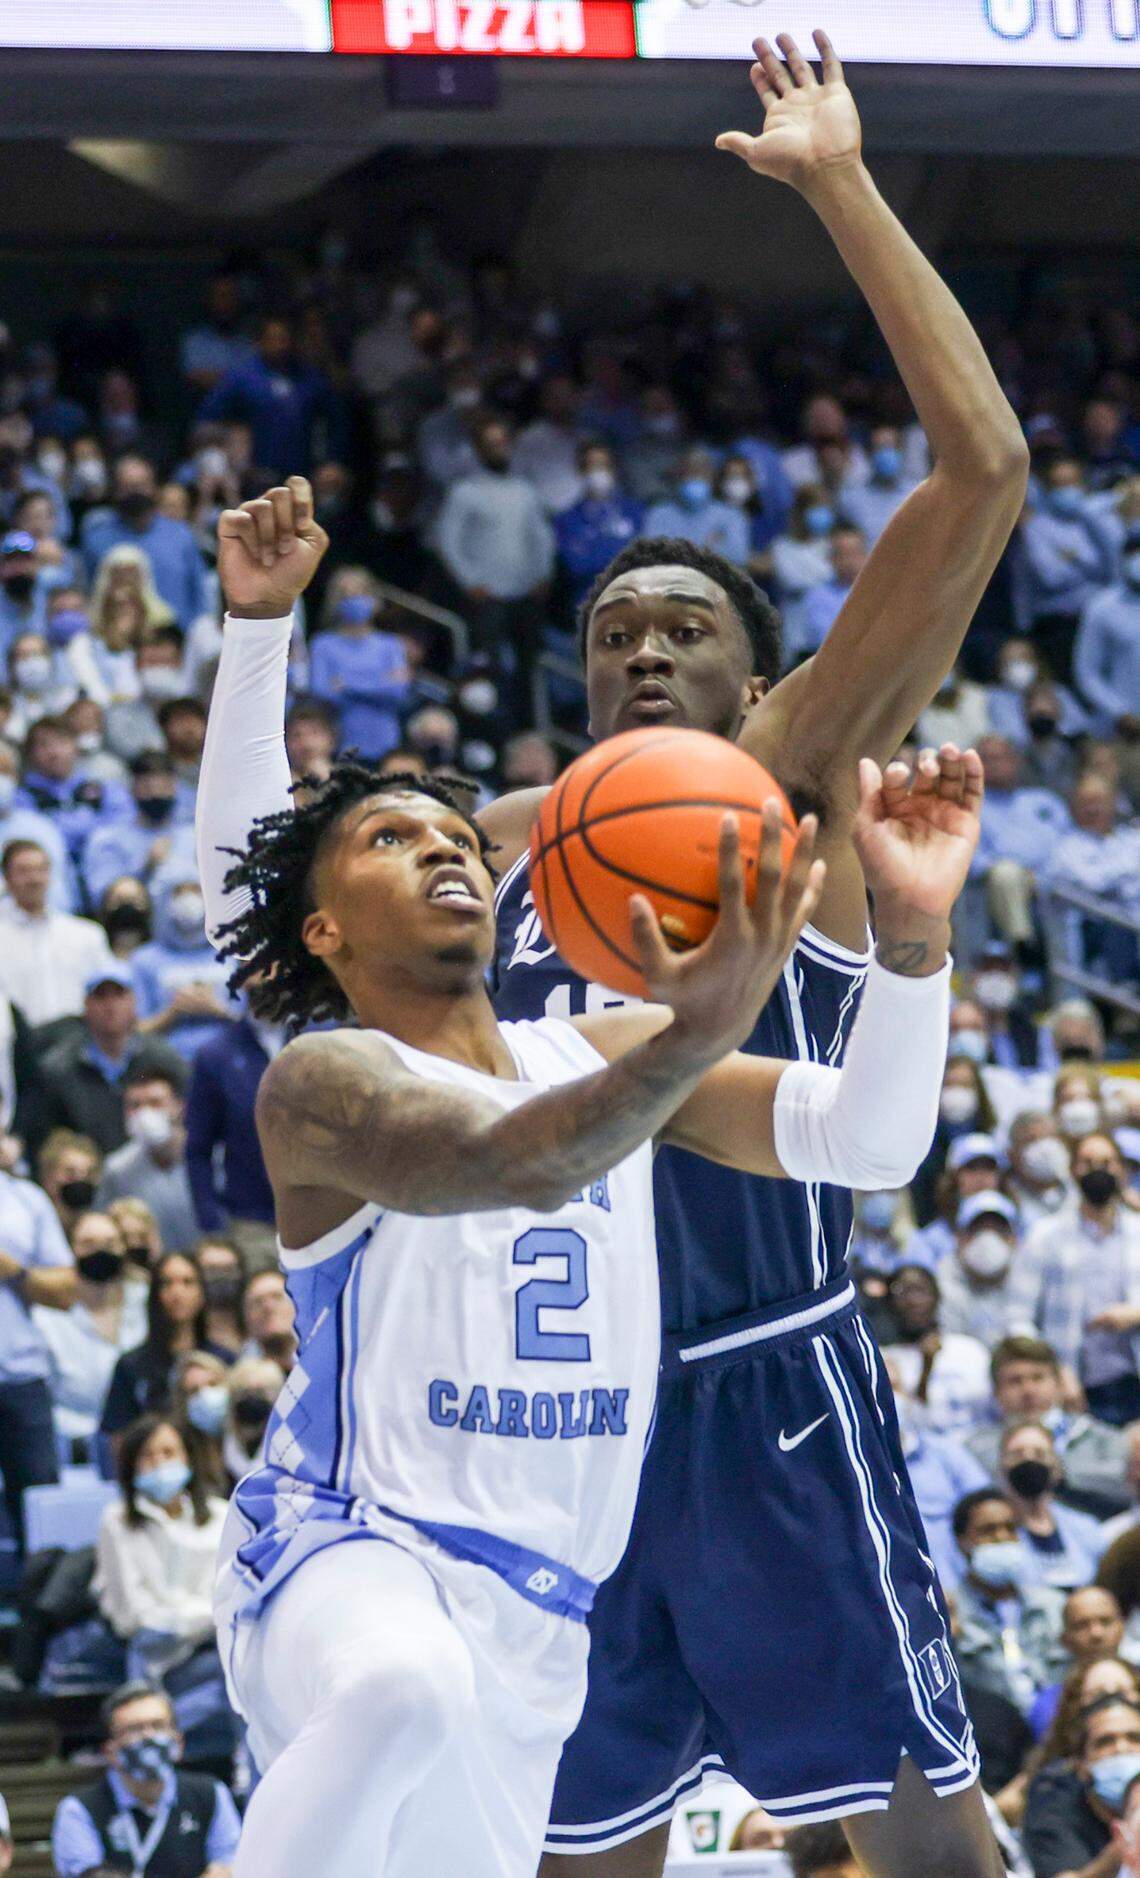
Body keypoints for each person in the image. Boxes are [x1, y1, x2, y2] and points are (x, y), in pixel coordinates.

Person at [203, 50, 1030, 1878]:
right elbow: (264, 899)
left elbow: (984, 473)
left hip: (769, 1385)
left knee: (932, 1847)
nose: (647, 653)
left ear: (755, 679)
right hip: (556, 1433)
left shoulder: (788, 778)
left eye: (688, 633)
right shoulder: (488, 843)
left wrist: (836, 187)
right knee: (574, 1858)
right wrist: (253, 641)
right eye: (614, 632)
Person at [202, 717, 977, 1878]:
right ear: (324, 929)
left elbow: (871, 1140)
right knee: (400, 1689)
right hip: (350, 1549)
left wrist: (913, 944)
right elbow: (515, 1161)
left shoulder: (598, 1053)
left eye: (460, 833)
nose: (444, 847)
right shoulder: (323, 1080)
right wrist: (686, 1044)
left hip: (545, 1618)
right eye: (390, 837)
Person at [1010, 1131, 1140, 1424]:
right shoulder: (1044, 1236)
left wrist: (1135, 1313)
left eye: (1107, 1162)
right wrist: (1053, 1372)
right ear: (1072, 1170)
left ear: (1122, 1170)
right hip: (1074, 1388)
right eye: (1088, 1162)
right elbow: (1017, 1317)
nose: (1098, 1170)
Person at [51, 1680, 240, 1878]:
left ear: (179, 1742)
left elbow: (229, 1866)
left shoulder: (211, 1794)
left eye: (158, 1726)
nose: (149, 1737)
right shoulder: (79, 1809)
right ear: (110, 1751)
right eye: (134, 1729)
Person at [95, 1417, 229, 1683]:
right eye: (147, 1456)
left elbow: (229, 1599)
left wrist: (195, 1620)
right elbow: (133, 1613)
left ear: (187, 1458)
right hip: (153, 1647)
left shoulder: (221, 1515)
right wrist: (200, 1618)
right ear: (132, 1466)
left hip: (214, 1644)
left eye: (168, 1453)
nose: (160, 1463)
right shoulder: (117, 1521)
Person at [966, 1338, 1131, 1523]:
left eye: (1038, 1378)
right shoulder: (976, 1448)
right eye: (1015, 1381)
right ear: (996, 1392)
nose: (1028, 1390)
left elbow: (1127, 1489)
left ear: (1059, 1384)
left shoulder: (1100, 1437)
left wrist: (1057, 1472)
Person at [0, 1159, 77, 1547]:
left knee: (39, 1507)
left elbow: (65, 1290)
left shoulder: (25, 1199)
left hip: (20, 1377)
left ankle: (43, 1604)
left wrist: (11, 1270)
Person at [36, 961, 186, 1157]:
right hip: (87, 1173)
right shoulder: (58, 1068)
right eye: (101, 996)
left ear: (134, 1002)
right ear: (86, 1005)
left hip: (153, 1166)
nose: (110, 1005)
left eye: (119, 995)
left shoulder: (163, 1059)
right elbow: (47, 1139)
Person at [35, 1209, 146, 1459]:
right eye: (88, 1244)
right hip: (72, 1445)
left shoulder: (144, 1300)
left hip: (142, 1440)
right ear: (70, 1250)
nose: (100, 1252)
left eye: (110, 1243)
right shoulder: (48, 1317)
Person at [951, 1489, 1069, 1714]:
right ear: (961, 1541)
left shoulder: (1055, 1605)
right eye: (988, 1530)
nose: (1001, 1537)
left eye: (1010, 1528)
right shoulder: (948, 1614)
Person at [100, 1251, 230, 1440]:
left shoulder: (224, 1360)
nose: (177, 1293)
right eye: (166, 1283)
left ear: (202, 1293)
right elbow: (118, 1439)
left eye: (187, 1282)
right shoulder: (131, 1366)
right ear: (154, 1294)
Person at [200, 313, 347, 480]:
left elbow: (337, 420)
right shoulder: (241, 377)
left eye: (283, 339)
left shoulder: (310, 377)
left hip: (303, 469)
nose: (278, 345)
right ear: (259, 342)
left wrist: (333, 460)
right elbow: (207, 420)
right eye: (272, 339)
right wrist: (231, 452)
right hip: (255, 472)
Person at [1014, 455, 1116, 686]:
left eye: (1072, 483)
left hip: (1096, 617)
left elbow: (1111, 569)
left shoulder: (1091, 520)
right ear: (1049, 489)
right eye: (1060, 484)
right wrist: (1088, 567)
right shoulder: (1036, 527)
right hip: (1060, 625)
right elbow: (1052, 576)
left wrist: (1072, 557)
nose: (1068, 490)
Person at [969, 733, 1072, 956]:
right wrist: (1022, 873)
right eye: (988, 759)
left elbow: (1071, 845)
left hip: (1057, 881)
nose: (997, 764)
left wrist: (1042, 875)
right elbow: (974, 862)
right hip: (1002, 887)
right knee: (1006, 874)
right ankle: (1023, 946)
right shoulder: (971, 807)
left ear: (1016, 760)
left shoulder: (1044, 800)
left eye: (1002, 757)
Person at [81, 454, 207, 632]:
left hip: (176, 641)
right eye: (128, 487)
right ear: (116, 490)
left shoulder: (181, 535)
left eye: (141, 486)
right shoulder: (96, 539)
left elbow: (199, 593)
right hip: (117, 644)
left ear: (154, 488)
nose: (135, 493)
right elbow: (90, 594)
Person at [184, 1006, 278, 1247]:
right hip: (251, 1220)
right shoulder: (216, 1054)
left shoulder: (321, 1040)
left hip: (320, 1217)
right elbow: (197, 1148)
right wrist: (211, 1222)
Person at [1023, 1693, 1140, 1878]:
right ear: (1081, 1765)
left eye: (1134, 1738)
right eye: (1105, 1741)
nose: (1121, 1749)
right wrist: (1123, 1851)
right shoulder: (1055, 1809)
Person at [0, 839, 113, 1026]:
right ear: (7, 878)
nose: (34, 879)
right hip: (17, 1044)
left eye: (41, 870)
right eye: (24, 871)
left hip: (77, 1041)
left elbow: (107, 992)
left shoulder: (86, 935)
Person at [96, 1061, 199, 1254]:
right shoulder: (117, 1169)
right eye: (135, 1105)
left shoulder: (210, 1157)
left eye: (155, 1103)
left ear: (179, 1107)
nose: (145, 1113)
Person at [883, 1263, 992, 1436]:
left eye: (920, 1290)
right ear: (888, 1303)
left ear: (937, 1296)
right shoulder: (884, 1361)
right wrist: (926, 1367)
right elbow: (906, 1426)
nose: (912, 1301)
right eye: (901, 1292)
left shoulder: (971, 1350)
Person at [999, 1419, 1106, 1593]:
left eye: (1039, 1454)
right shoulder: (994, 1531)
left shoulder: (1087, 1528)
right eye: (1017, 1454)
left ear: (1056, 1467)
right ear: (1001, 1466)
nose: (1029, 1460)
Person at [83, 750, 195, 910]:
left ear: (175, 787)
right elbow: (100, 897)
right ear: (132, 789)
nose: (156, 794)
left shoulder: (194, 836)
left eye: (163, 786)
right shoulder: (107, 839)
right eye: (147, 787)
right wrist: (146, 868)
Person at [308, 592, 410, 762]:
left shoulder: (391, 644)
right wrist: (380, 682)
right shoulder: (322, 643)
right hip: (341, 743)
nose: (354, 600)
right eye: (346, 594)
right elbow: (320, 692)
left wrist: (347, 684)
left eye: (361, 593)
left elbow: (399, 691)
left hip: (386, 746)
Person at [1028, 1589, 1127, 1742]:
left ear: (1121, 1628)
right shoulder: (1050, 1706)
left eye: (1105, 1621)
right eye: (1082, 1625)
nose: (1096, 1633)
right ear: (1065, 1640)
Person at [554, 442, 644, 606]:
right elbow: (577, 567)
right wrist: (620, 551)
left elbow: (642, 564)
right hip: (588, 609)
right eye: (592, 467)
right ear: (581, 472)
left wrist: (594, 546)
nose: (599, 472)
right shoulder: (567, 519)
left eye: (604, 466)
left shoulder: (635, 512)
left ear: (614, 470)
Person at [1075, 529, 1140, 739]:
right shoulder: (1102, 607)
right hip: (1122, 731)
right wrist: (1120, 712)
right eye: (1134, 552)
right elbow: (1087, 672)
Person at [936, 1188, 1021, 1345]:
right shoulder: (943, 1279)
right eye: (977, 1230)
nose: (987, 1240)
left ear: (1014, 1239)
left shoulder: (1026, 1276)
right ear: (959, 1238)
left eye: (998, 1230)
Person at [645, 447, 751, 562]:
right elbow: (653, 556)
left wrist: (679, 550)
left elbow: (738, 557)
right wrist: (708, 547)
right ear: (679, 476)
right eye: (690, 472)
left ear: (712, 477)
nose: (696, 477)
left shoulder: (732, 515)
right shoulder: (659, 514)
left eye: (702, 472)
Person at [839, 424, 917, 545]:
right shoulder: (850, 499)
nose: (886, 453)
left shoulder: (919, 493)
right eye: (880, 448)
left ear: (901, 451)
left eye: (891, 447)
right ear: (869, 453)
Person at [1006, 1114, 1073, 1229]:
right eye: (1031, 1141)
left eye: (1049, 1138)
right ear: (1012, 1154)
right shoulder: (1007, 1199)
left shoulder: (1079, 1190)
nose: (1044, 1149)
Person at [194, 1237, 246, 1353]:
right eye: (211, 1270)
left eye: (228, 1270)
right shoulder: (188, 1337)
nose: (220, 1277)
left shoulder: (258, 1329)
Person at [238, 1268, 296, 1372]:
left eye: (277, 1297)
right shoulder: (238, 1377)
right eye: (258, 1302)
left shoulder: (326, 1361)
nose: (268, 1307)